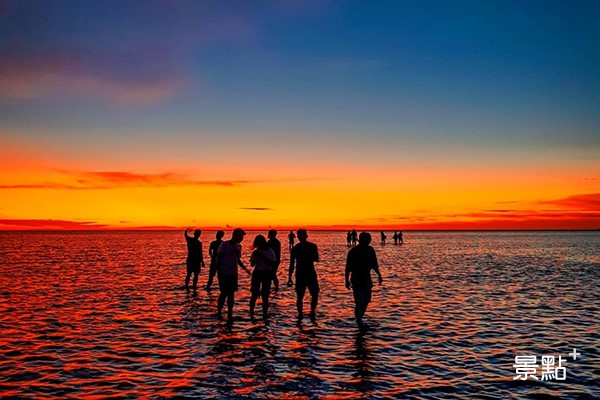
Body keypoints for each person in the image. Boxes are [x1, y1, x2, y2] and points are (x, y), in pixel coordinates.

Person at [345, 232, 383, 328]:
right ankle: (358, 320)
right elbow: (348, 267)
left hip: (367, 279)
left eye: (369, 239)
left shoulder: (370, 250)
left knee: (366, 301)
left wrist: (379, 275)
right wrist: (346, 280)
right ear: (362, 240)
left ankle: (359, 319)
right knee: (359, 302)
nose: (369, 241)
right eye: (367, 239)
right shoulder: (353, 251)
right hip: (356, 279)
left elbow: (374, 264)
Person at [216, 228, 251, 325]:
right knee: (223, 293)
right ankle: (219, 312)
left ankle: (229, 313)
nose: (241, 239)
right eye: (240, 236)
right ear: (235, 235)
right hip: (223, 273)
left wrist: (245, 269)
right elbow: (218, 259)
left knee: (231, 294)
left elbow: (238, 260)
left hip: (233, 273)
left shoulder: (239, 246)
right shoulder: (224, 245)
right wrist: (218, 272)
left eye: (242, 237)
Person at [287, 229, 319, 322]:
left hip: (301, 273)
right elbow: (316, 259)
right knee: (314, 294)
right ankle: (312, 312)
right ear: (306, 236)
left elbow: (292, 264)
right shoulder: (312, 246)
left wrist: (289, 277)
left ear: (297, 237)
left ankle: (301, 315)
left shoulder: (295, 248)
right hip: (309, 272)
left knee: (300, 296)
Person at [249, 234, 277, 321]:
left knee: (265, 295)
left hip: (265, 273)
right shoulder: (256, 252)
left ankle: (263, 314)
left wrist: (262, 258)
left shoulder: (270, 251)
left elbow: (273, 264)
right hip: (258, 272)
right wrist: (256, 257)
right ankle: (252, 313)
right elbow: (252, 264)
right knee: (254, 294)